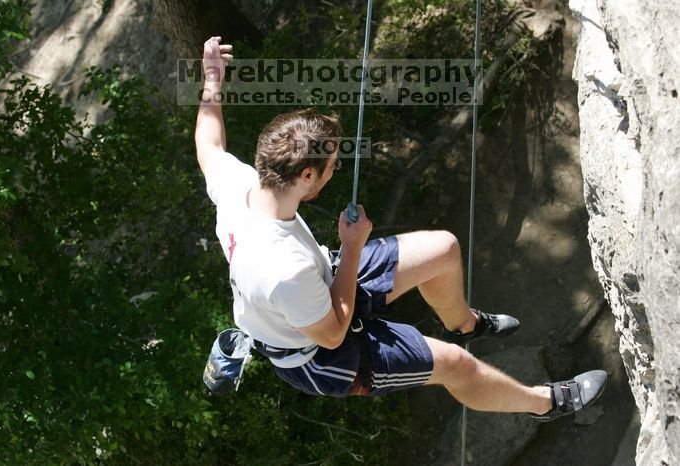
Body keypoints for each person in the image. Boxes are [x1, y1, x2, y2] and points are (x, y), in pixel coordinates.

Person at [196, 36, 607, 421]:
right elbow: (335, 334)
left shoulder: (242, 186)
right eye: (332, 166)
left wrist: (212, 81)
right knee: (456, 365)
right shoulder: (282, 269)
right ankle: (547, 402)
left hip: (320, 279)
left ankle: (463, 324)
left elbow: (209, 144)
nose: (336, 171)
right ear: (306, 175)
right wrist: (352, 247)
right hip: (320, 354)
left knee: (443, 248)